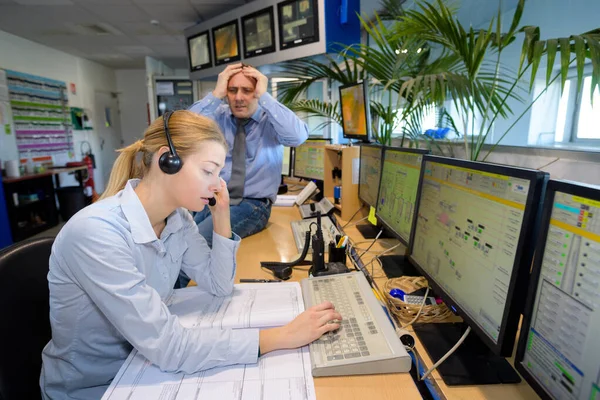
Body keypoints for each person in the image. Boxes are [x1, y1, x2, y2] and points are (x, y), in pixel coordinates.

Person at [39, 111, 340, 400]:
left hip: (144, 365)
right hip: (99, 387)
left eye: (219, 173)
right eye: (208, 171)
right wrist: (280, 337)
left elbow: (219, 286)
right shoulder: (97, 233)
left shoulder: (177, 219)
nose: (217, 184)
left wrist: (221, 215)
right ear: (166, 161)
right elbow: (170, 348)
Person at [188, 63, 308, 248]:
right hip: (213, 197)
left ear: (257, 92)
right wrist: (216, 94)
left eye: (247, 90)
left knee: (196, 244)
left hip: (252, 204)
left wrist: (265, 97)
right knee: (180, 241)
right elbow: (183, 130)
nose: (238, 97)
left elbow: (298, 137)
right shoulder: (217, 116)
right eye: (232, 90)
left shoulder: (272, 121)